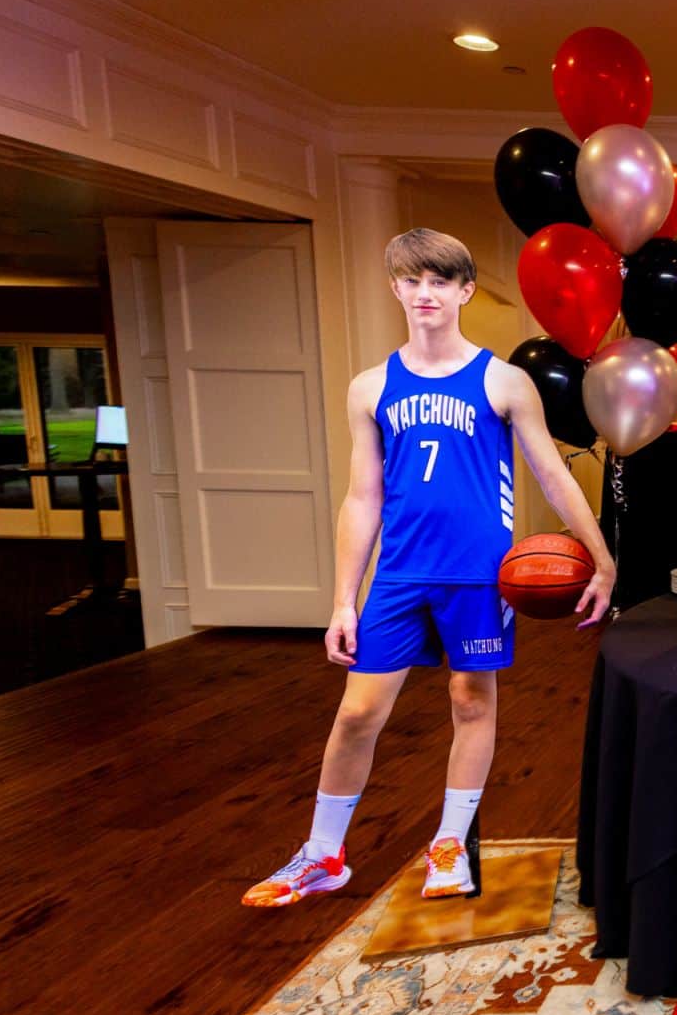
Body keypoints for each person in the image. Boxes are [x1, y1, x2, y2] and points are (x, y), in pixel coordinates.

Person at [243, 229, 615, 908]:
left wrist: (602, 557)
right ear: (395, 288)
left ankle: (449, 843)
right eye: (412, 280)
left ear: (465, 290)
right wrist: (342, 600)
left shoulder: (503, 381)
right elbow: (363, 497)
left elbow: (553, 475)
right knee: (357, 712)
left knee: (470, 700)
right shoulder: (371, 387)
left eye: (440, 281)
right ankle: (323, 852)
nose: (425, 293)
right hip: (400, 573)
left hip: (479, 573)